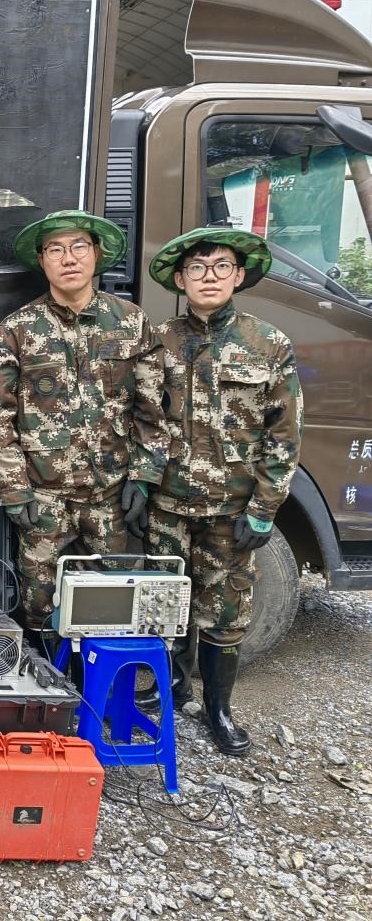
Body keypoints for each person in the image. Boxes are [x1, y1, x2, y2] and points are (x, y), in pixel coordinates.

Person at [143, 228, 302, 756]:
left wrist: (264, 509)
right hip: (168, 504)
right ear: (180, 280)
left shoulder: (268, 343)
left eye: (221, 267)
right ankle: (170, 690)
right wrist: (141, 481)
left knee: (225, 611)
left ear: (238, 276)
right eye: (197, 268)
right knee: (163, 604)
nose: (208, 277)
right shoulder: (159, 341)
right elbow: (143, 419)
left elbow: (284, 434)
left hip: (232, 509)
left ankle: (219, 710)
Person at [0, 210, 168, 646]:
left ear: (96, 254)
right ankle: (51, 684)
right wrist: (14, 488)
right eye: (56, 249)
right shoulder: (17, 330)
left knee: (111, 605)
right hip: (44, 497)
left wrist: (144, 476)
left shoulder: (131, 322)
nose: (69, 258)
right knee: (39, 604)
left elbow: (153, 409)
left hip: (109, 495)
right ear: (42, 260)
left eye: (79, 246)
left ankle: (93, 684)